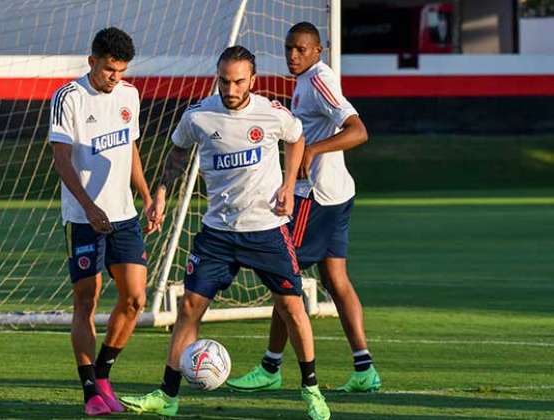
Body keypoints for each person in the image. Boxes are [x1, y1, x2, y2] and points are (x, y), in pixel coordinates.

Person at [119, 46, 330, 420]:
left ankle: (311, 389)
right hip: (217, 233)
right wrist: (162, 192)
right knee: (189, 308)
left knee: (292, 307)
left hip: (266, 230)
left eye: (237, 82)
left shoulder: (271, 113)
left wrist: (287, 183)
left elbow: (296, 138)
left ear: (253, 80)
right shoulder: (198, 116)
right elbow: (178, 151)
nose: (230, 89)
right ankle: (167, 396)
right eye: (224, 81)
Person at [226, 21, 380, 394]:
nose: (293, 55)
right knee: (335, 280)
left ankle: (270, 367)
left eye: (301, 49)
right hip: (337, 193)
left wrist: (312, 149)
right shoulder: (306, 81)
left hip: (315, 198)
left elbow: (358, 130)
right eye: (289, 48)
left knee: (283, 274)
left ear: (318, 51)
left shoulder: (319, 80)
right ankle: (364, 369)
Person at [48, 27, 159, 416]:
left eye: (122, 70)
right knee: (87, 300)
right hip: (83, 218)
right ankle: (89, 392)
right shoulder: (69, 98)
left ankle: (103, 374)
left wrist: (145, 196)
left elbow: (130, 147)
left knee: (135, 299)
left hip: (125, 216)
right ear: (92, 61)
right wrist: (88, 205)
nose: (116, 77)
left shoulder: (129, 94)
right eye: (109, 69)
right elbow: (61, 159)